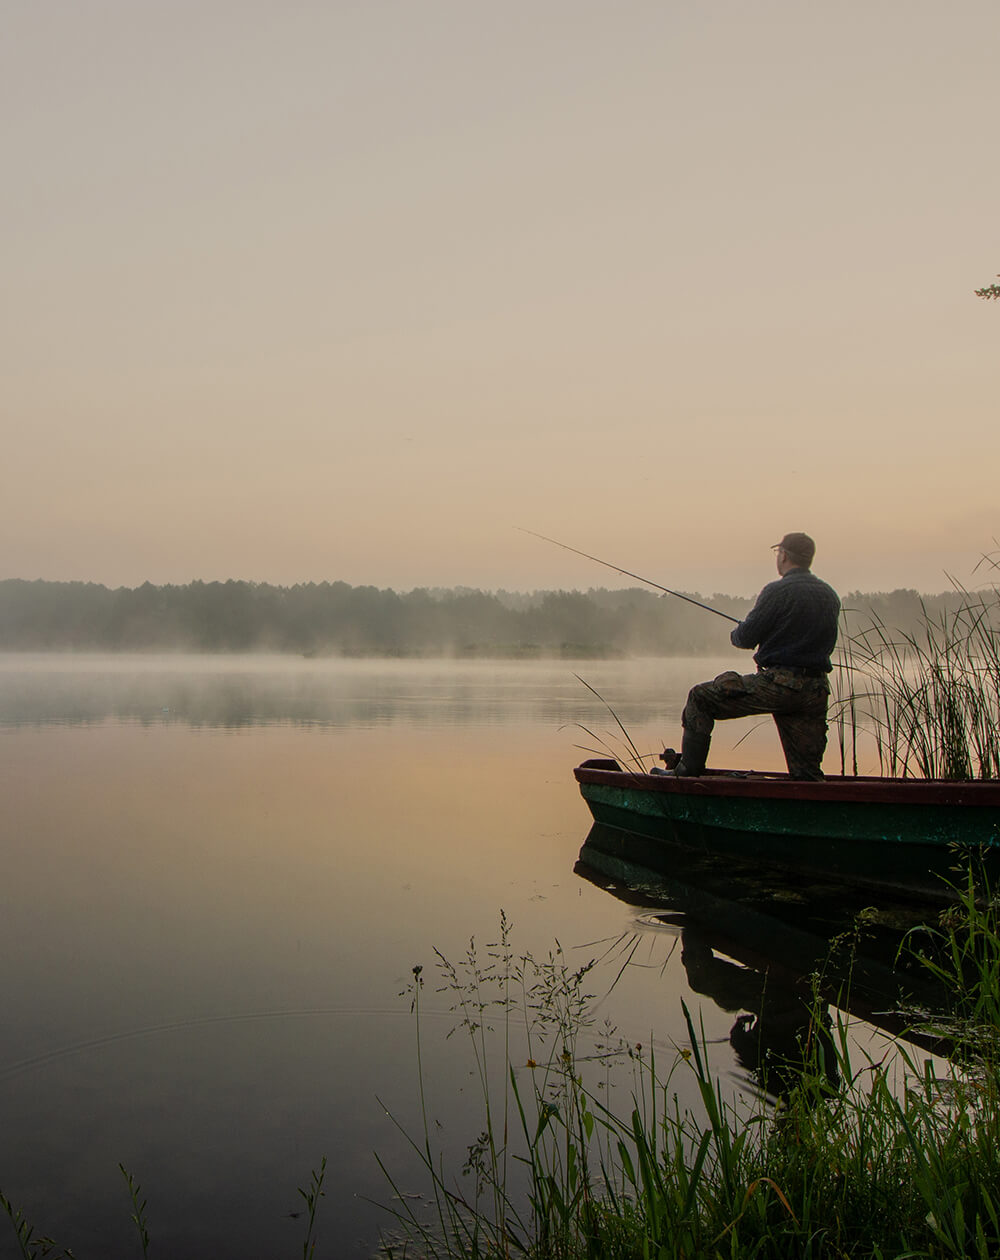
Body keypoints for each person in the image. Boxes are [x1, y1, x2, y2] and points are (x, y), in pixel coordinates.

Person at [662, 532, 840, 781]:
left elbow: (745, 638)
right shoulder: (829, 594)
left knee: (700, 698)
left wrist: (737, 632)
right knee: (807, 775)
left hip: (780, 685)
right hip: (816, 691)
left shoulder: (777, 591)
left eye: (778, 553)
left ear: (785, 555)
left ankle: (686, 774)